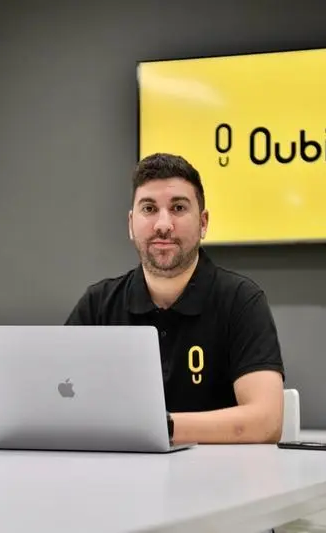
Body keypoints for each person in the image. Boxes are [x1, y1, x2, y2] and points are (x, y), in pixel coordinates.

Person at [65, 152, 285, 445]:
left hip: (220, 473)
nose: (163, 224)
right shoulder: (98, 305)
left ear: (203, 223)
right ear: (131, 224)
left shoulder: (241, 301)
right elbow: (57, 401)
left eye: (178, 208)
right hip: (118, 472)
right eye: (149, 208)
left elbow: (266, 422)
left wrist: (158, 427)